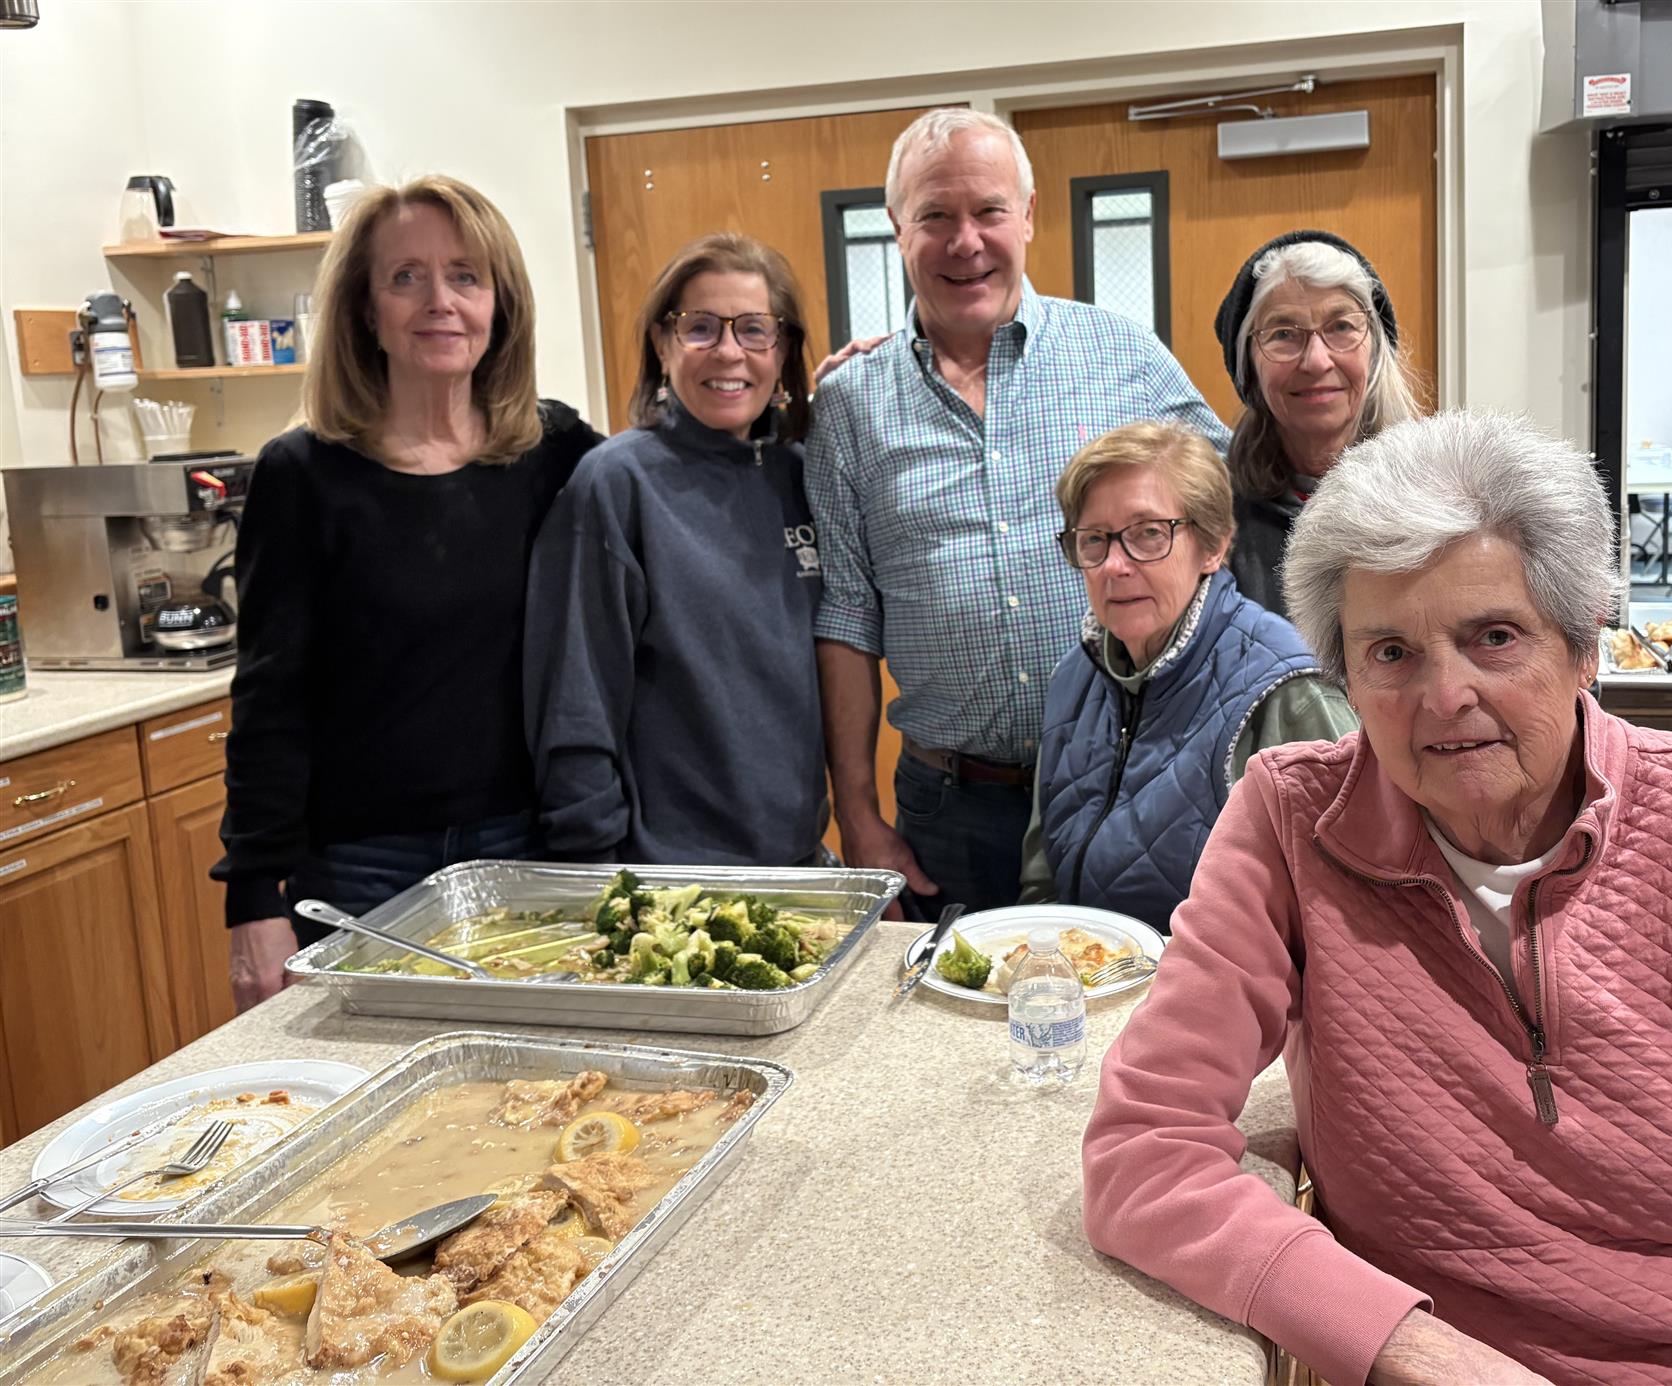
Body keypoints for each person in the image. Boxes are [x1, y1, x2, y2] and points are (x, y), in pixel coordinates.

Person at [1083, 412, 1672, 1385]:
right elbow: (1145, 1148)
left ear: (1584, 645)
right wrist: (1405, 1345)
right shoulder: (1293, 823)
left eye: (1494, 637)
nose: (1444, 695)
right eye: (1390, 653)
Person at [807, 107, 1228, 919]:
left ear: (1028, 217)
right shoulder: (850, 406)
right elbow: (848, 618)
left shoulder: (1123, 355)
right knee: (950, 1033)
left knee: (1140, 1022)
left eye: (989, 211)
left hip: (1130, 779)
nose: (966, 241)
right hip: (950, 809)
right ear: (897, 228)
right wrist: (855, 814)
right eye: (935, 215)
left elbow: (1227, 511)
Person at [215, 176, 603, 1010]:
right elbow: (268, 696)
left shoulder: (554, 453)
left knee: (530, 1095)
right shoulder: (303, 475)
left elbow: (675, 479)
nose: (440, 302)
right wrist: (253, 897)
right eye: (406, 278)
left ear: (500, 303)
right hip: (361, 866)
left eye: (466, 276)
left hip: (527, 850)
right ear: (364, 309)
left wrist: (806, 397)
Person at [525, 234, 826, 866]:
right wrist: (595, 874)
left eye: (753, 330)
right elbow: (578, 700)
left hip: (796, 862)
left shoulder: (805, 478)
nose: (728, 352)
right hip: (667, 876)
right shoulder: (615, 484)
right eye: (700, 328)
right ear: (662, 346)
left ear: (784, 350)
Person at [1016, 420, 1354, 928]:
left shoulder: (1286, 689)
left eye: (1148, 534)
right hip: (1088, 984)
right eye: (1094, 540)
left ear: (1214, 545)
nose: (1114, 565)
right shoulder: (1075, 678)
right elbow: (1043, 882)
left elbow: (1347, 907)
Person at [1215, 231, 1422, 615]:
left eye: (1341, 326)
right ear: (1249, 369)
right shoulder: (1214, 511)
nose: (1316, 361)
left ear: (1375, 350)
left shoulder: (1436, 497)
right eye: (1283, 334)